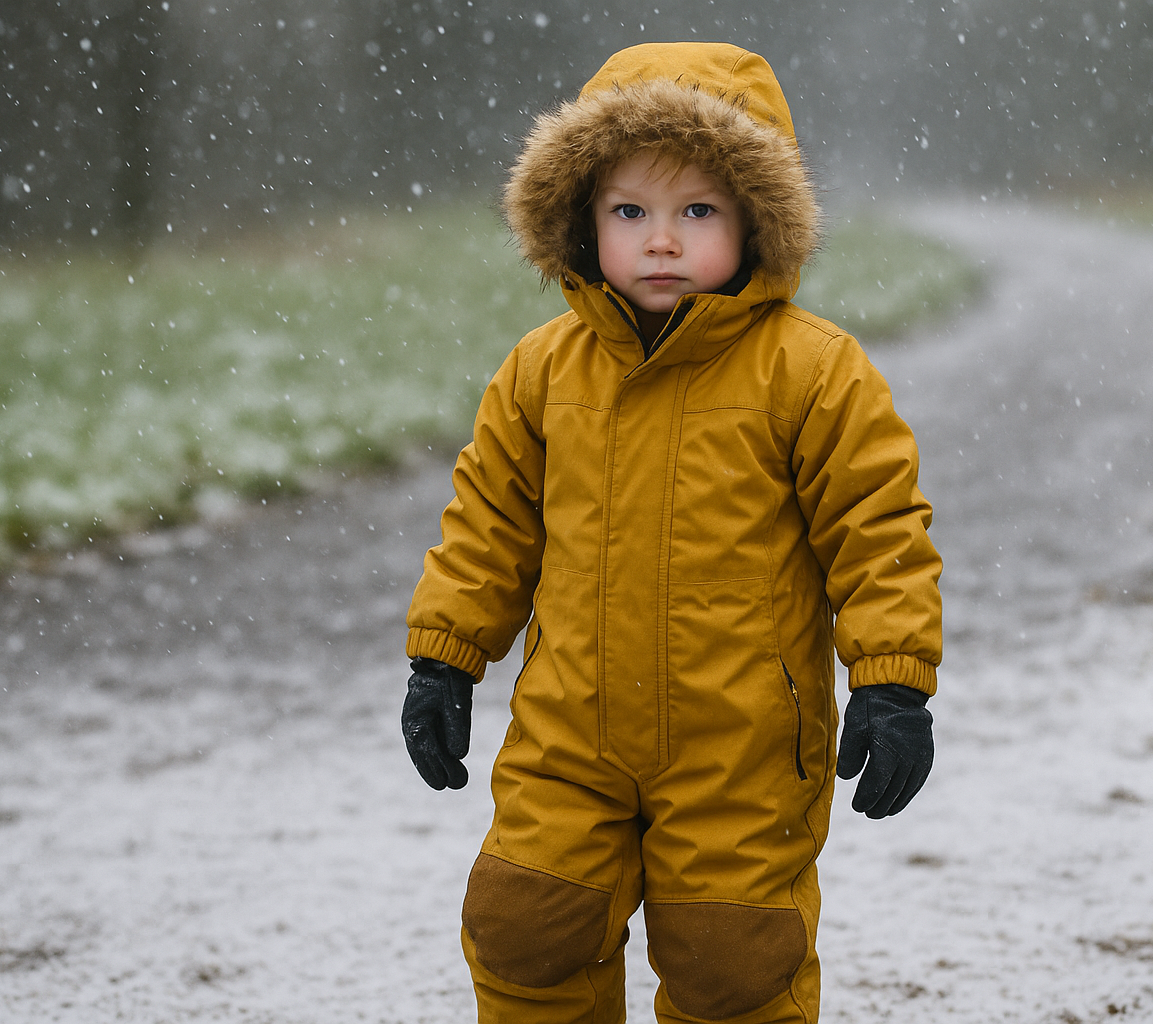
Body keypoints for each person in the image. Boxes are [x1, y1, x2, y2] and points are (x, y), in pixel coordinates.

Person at [400, 41, 942, 1024]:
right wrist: (445, 658)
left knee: (734, 959)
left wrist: (893, 678)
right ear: (581, 219)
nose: (661, 240)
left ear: (754, 223)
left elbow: (878, 530)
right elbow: (488, 522)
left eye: (697, 212)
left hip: (740, 744)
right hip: (569, 731)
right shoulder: (543, 371)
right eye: (630, 212)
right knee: (526, 922)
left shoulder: (812, 372)